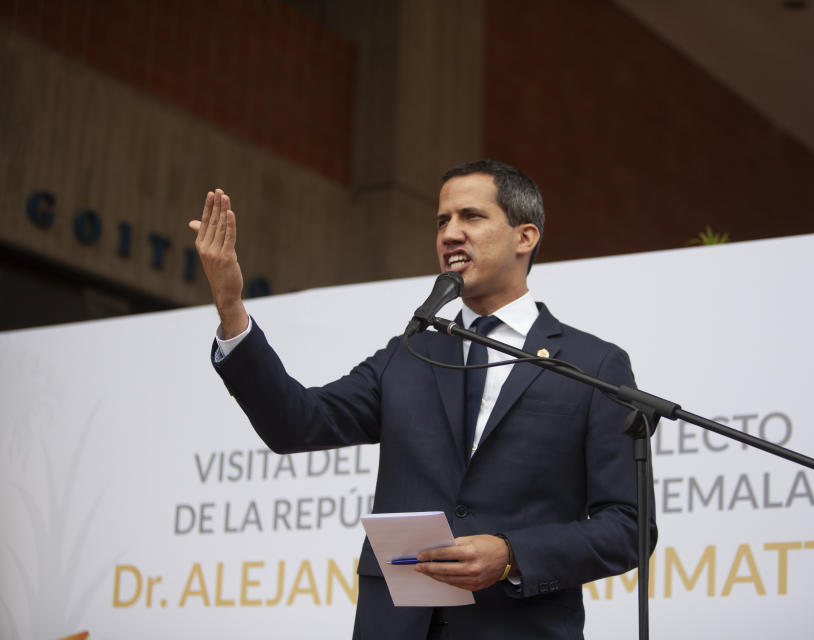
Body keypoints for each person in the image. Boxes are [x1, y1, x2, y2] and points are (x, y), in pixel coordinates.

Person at [189, 159, 656, 639]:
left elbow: (628, 526)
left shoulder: (591, 365)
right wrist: (231, 309)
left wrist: (512, 554)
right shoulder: (409, 353)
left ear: (525, 237)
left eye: (470, 217)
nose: (450, 233)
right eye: (442, 221)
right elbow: (296, 423)